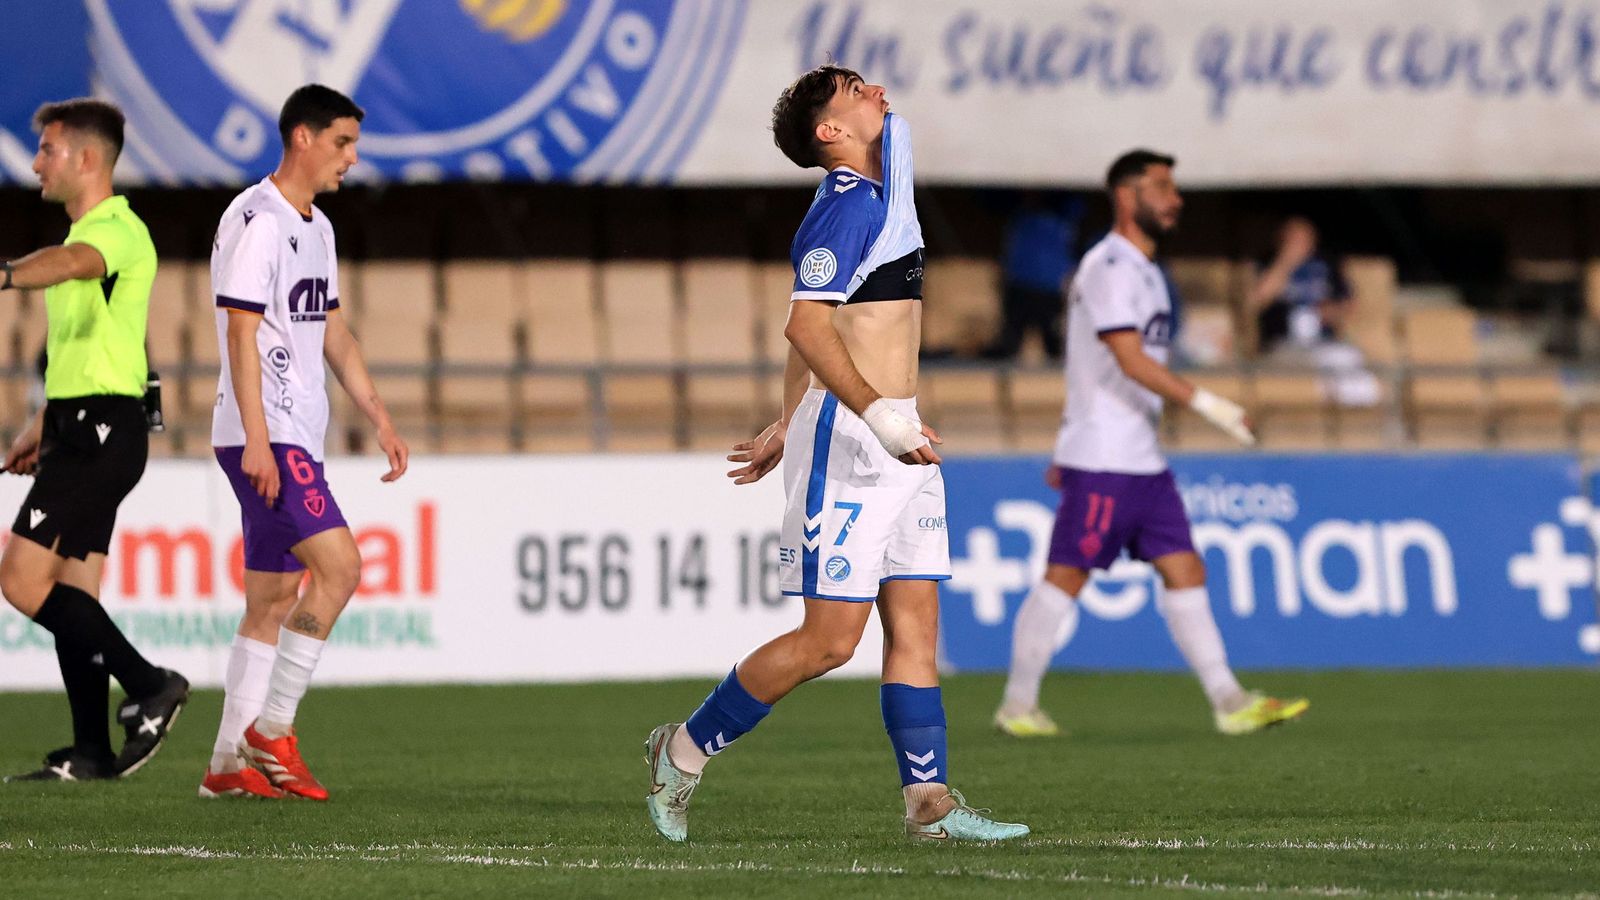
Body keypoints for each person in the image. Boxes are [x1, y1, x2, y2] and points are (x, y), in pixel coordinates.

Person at [642, 65, 1028, 843]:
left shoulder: (885, 195)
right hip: (860, 439)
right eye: (855, 87)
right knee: (830, 641)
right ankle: (679, 752)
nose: (875, 88)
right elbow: (806, 326)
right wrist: (863, 421)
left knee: (917, 625)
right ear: (829, 131)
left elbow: (822, 333)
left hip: (897, 432)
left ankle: (929, 805)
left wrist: (785, 420)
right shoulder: (846, 208)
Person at [993, 150, 1309, 739]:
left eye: (1174, 187)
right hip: (1106, 457)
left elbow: (1091, 366)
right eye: (1161, 186)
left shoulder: (1143, 269)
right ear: (1125, 195)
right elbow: (1128, 360)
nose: (1175, 198)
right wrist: (1210, 404)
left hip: (1140, 456)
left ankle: (1229, 699)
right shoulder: (1110, 265)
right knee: (1066, 577)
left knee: (1185, 569)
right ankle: (1017, 704)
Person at [199, 84, 408, 801]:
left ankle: (227, 766)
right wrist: (259, 440)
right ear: (302, 139)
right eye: (342, 142)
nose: (352, 158)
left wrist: (377, 415)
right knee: (341, 569)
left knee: (271, 596)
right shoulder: (259, 221)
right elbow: (240, 330)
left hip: (289, 434)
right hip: (269, 435)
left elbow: (334, 332)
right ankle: (273, 729)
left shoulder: (316, 226)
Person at [0, 99, 188, 782]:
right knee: (72, 588)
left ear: (85, 158)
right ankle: (90, 750)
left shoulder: (116, 230)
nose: (36, 162)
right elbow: (90, 352)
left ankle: (149, 686)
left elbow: (75, 262)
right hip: (82, 426)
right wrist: (43, 424)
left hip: (103, 433)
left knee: (21, 582)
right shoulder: (87, 232)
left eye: (47, 149)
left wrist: (5, 272)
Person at [1249, 216, 1379, 406]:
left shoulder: (1325, 264)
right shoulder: (1267, 264)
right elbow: (1257, 299)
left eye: (1303, 239)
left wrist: (1329, 312)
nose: (1298, 245)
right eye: (1292, 239)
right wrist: (1286, 261)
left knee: (1349, 357)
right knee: (1328, 361)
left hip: (1322, 340)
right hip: (1284, 343)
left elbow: (1349, 305)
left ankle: (1362, 419)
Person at [984, 192, 1083, 360]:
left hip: (1048, 289)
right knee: (1011, 341)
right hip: (1021, 286)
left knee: (1053, 344)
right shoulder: (1021, 217)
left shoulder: (1064, 216)